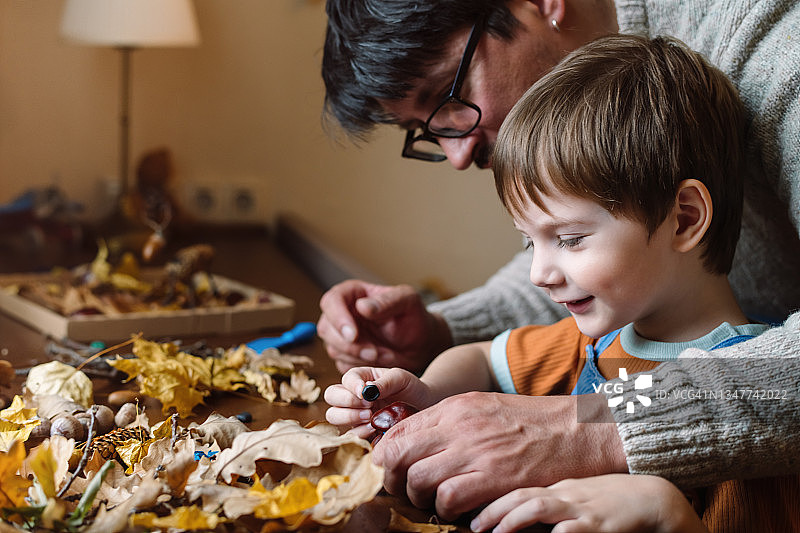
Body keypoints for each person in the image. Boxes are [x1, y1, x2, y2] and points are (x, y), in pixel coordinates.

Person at [318, 0, 800, 520]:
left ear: (683, 219)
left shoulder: (765, 35)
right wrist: (432, 374)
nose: (456, 157)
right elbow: (491, 355)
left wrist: (652, 494)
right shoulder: (598, 341)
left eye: (447, 97)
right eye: (531, 242)